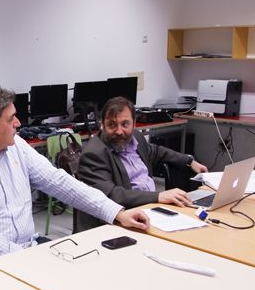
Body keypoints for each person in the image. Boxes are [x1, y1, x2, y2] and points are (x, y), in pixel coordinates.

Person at [0, 84, 149, 275]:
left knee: (80, 271)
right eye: (11, 119)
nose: (18, 123)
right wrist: (29, 257)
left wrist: (116, 212)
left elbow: (58, 182)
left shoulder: (16, 147)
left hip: (24, 248)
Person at [76, 97, 208, 229]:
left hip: (150, 210)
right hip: (117, 220)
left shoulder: (136, 137)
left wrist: (189, 161)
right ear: (102, 125)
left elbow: (157, 152)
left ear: (134, 124)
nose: (119, 131)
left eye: (125, 124)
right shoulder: (93, 154)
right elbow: (112, 195)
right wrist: (158, 196)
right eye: (112, 125)